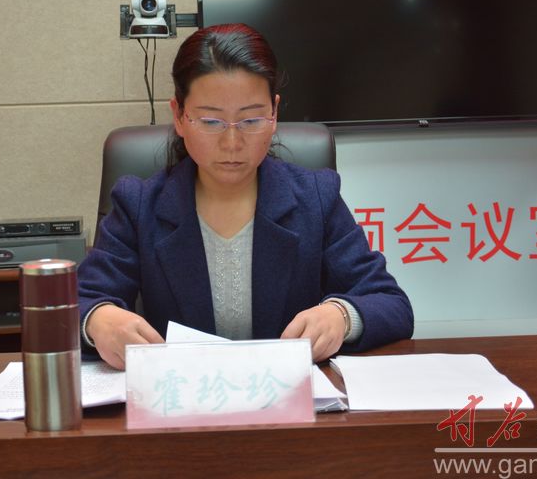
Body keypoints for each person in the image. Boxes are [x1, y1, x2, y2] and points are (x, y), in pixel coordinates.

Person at [79, 23, 413, 370]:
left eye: (251, 120)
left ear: (274, 114)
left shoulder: (316, 198)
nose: (232, 143)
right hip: (181, 397)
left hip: (288, 397)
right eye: (211, 122)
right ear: (178, 116)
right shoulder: (139, 205)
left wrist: (341, 316)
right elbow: (80, 302)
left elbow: (390, 303)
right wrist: (98, 320)